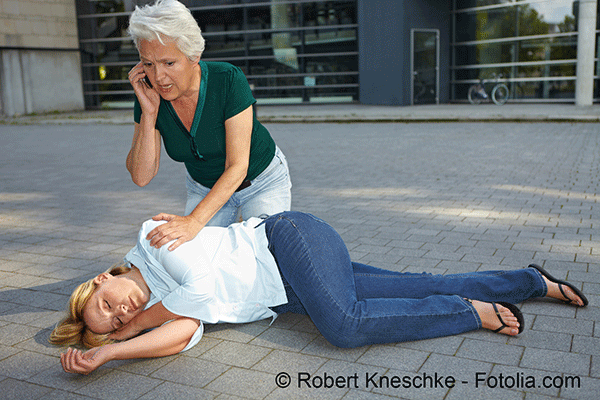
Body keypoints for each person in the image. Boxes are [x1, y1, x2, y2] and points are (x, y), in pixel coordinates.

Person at [50, 211, 588, 375]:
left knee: (345, 326)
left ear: (103, 279)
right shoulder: (162, 310)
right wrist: (112, 351)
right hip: (296, 285)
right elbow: (185, 330)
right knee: (414, 285)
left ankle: (468, 313)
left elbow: (204, 287)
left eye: (107, 306)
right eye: (115, 321)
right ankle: (530, 280)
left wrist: (137, 325)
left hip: (289, 241)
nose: (123, 312)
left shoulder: (152, 236)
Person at [126, 0, 291, 252]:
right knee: (191, 255)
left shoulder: (227, 80)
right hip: (204, 188)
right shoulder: (149, 95)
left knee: (266, 253)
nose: (158, 77)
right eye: (148, 64)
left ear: (193, 56)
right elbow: (141, 176)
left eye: (168, 63)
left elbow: (238, 166)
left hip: (259, 181)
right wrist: (149, 113)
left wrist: (194, 221)